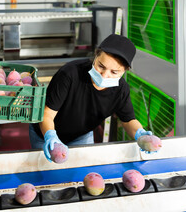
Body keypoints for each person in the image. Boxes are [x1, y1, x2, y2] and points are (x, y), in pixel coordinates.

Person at [29, 34, 154, 162]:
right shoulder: (70, 74)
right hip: (47, 132)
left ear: (124, 71)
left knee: (82, 174)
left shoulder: (121, 90)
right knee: (46, 172)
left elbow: (128, 120)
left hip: (81, 136)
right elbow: (47, 113)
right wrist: (50, 136)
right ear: (95, 56)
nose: (105, 75)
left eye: (114, 72)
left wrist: (140, 134)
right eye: (101, 66)